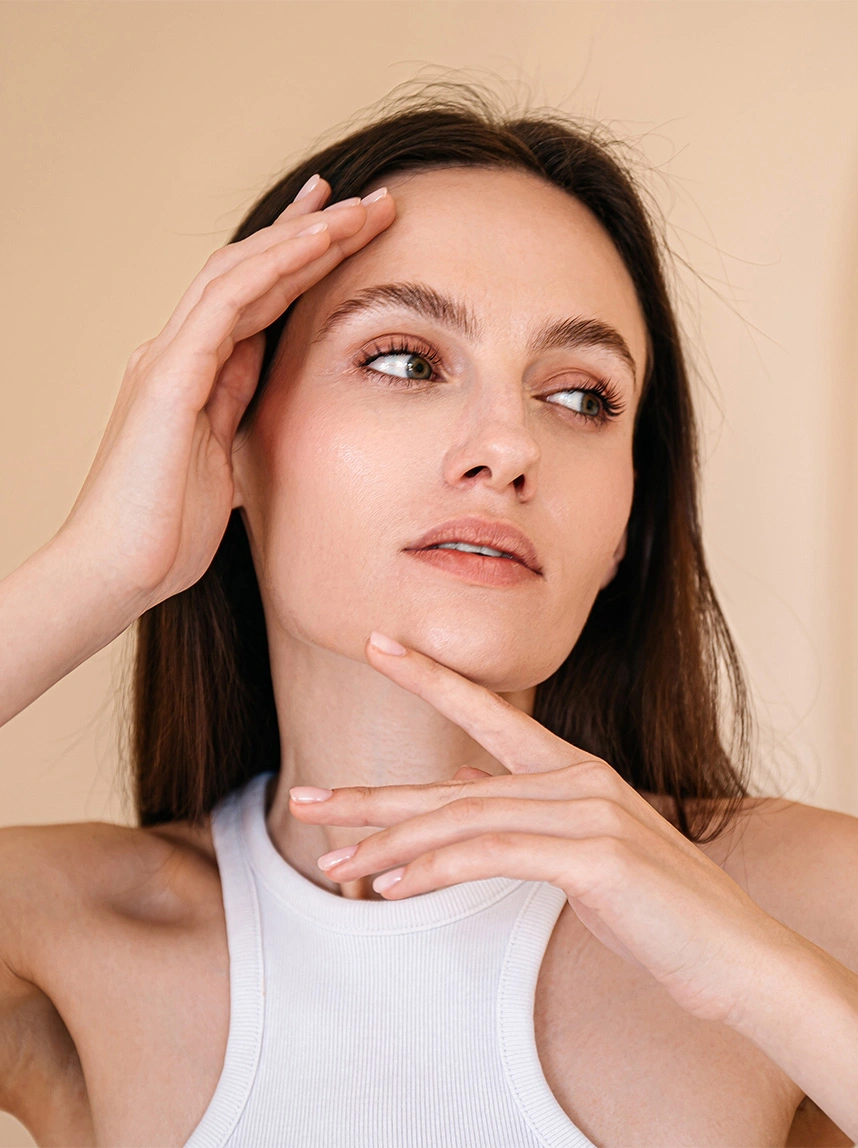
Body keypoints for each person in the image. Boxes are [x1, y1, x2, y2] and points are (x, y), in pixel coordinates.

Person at [0, 81, 856, 1148]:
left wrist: (757, 977)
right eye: (404, 359)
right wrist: (96, 570)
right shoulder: (69, 941)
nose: (509, 445)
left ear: (627, 525)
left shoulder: (809, 905)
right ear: (228, 438)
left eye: (581, 395)